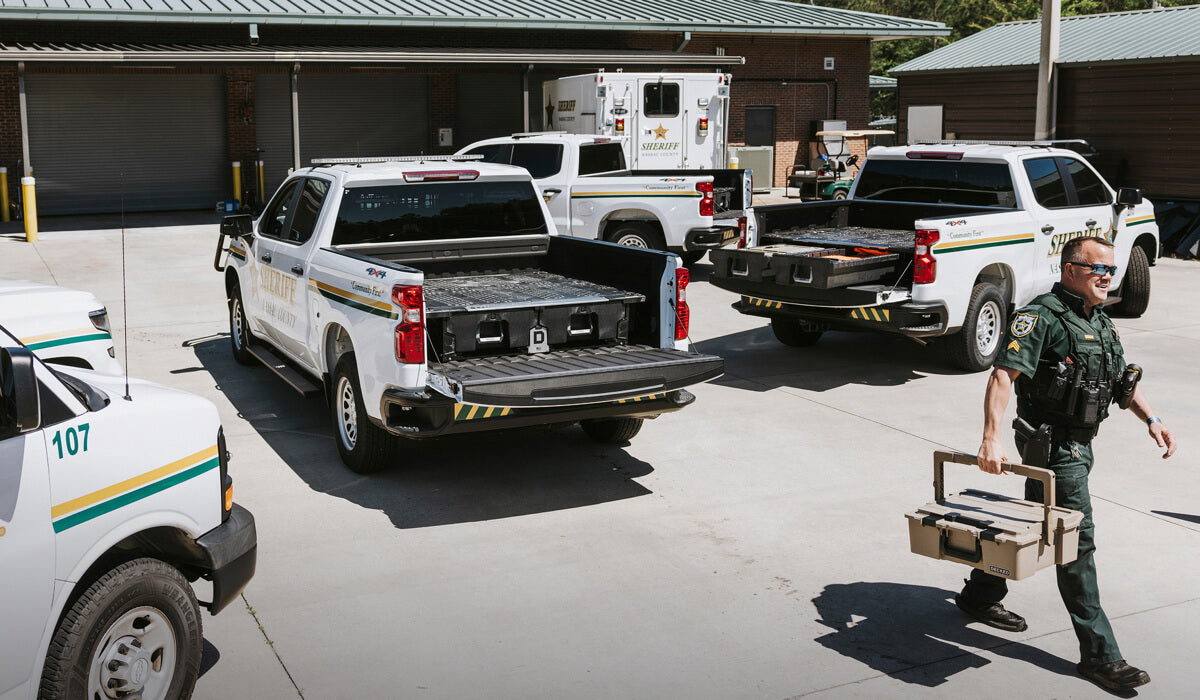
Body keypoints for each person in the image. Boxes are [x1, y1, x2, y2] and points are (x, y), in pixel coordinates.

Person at [955, 235, 1177, 693]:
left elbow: (1119, 381)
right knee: (1076, 543)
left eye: (1111, 270)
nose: (1108, 277)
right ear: (1070, 269)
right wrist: (990, 439)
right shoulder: (1042, 316)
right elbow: (1003, 374)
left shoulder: (1099, 321)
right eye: (1099, 269)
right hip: (1054, 449)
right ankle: (1100, 656)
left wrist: (1152, 418)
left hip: (1081, 446)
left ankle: (980, 593)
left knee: (1038, 527)